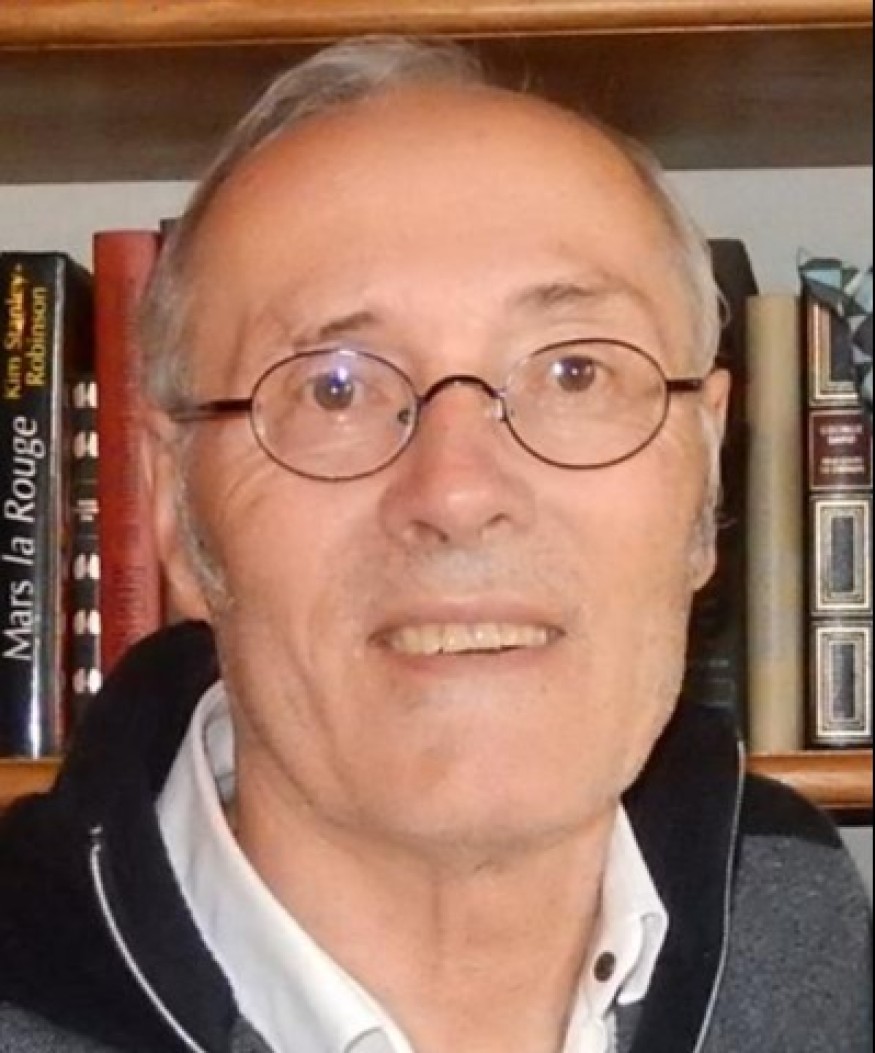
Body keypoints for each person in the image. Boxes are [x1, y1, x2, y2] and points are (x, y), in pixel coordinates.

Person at [0, 35, 870, 1053]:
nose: (457, 492)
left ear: (703, 474)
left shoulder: (807, 943)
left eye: (573, 372)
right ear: (173, 508)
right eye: (334, 388)